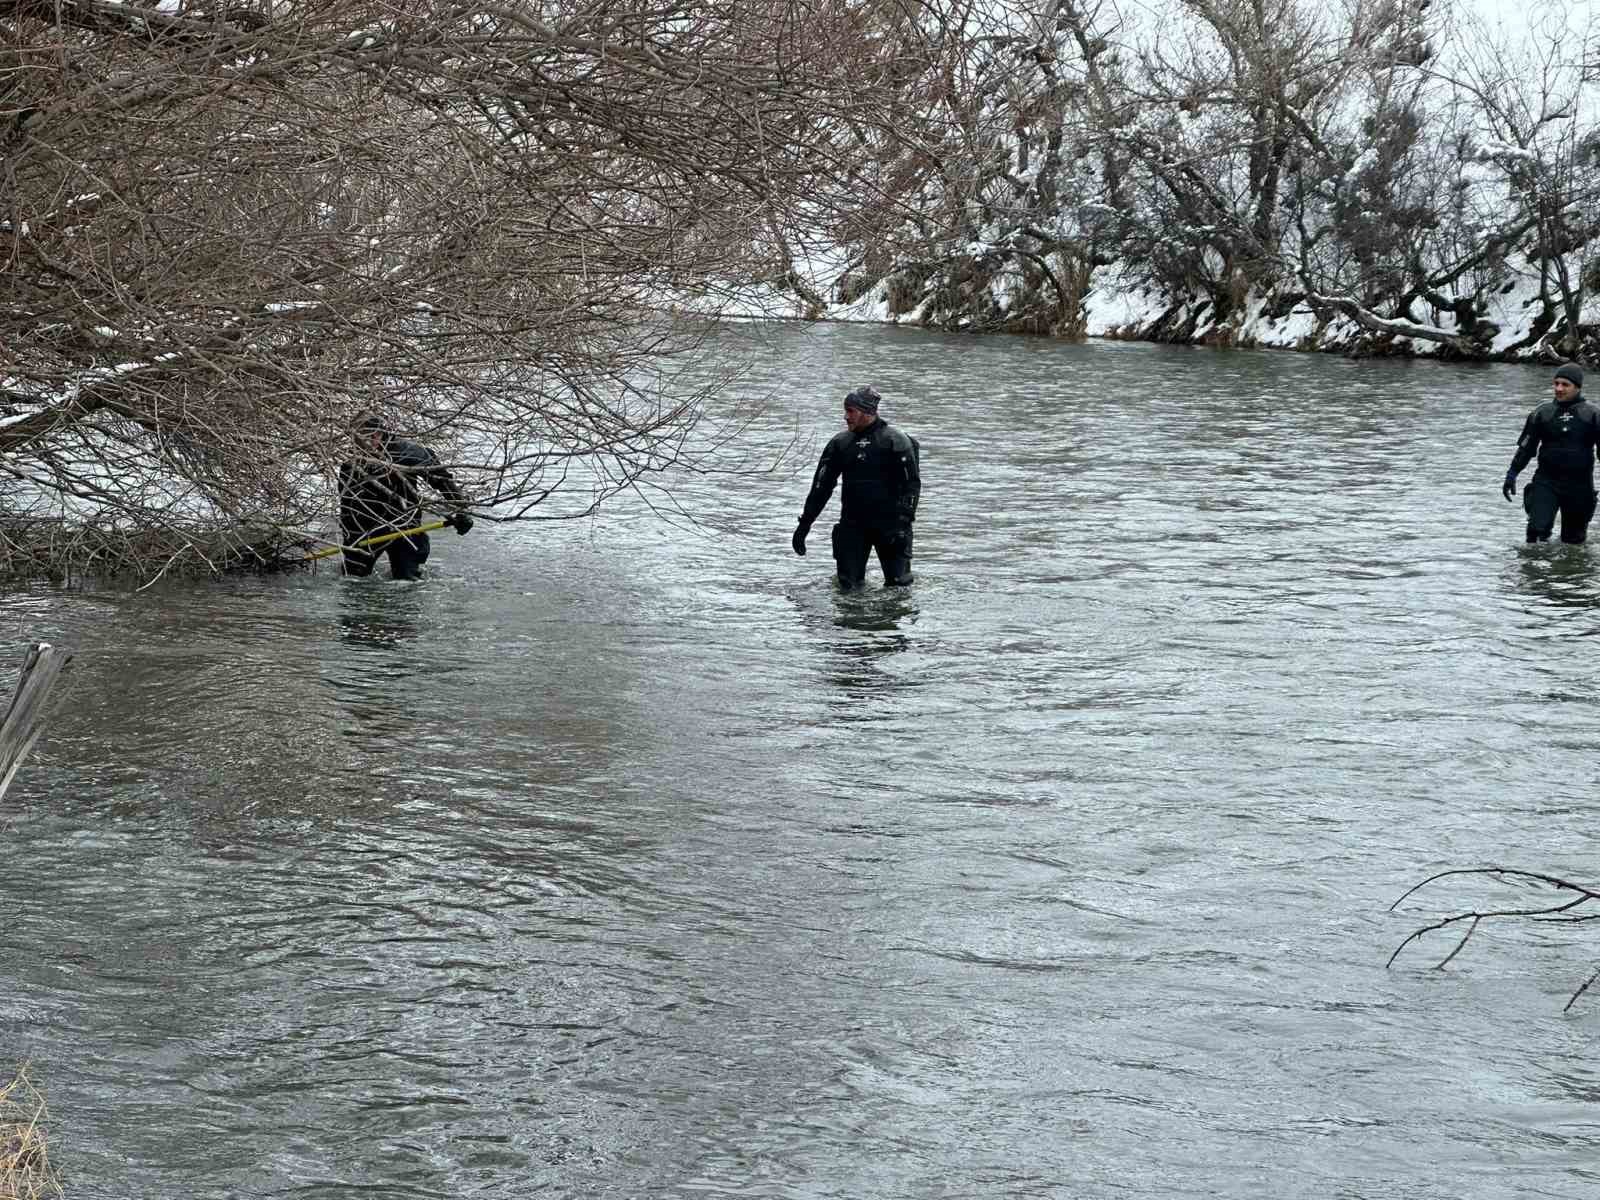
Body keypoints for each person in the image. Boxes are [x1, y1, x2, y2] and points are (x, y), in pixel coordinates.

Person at [792, 386, 920, 587]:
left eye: (851, 411)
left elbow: (911, 486)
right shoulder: (840, 444)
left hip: (891, 526)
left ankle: (893, 617)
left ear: (868, 412)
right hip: (853, 525)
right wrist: (804, 524)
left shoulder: (896, 441)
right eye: (845, 410)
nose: (845, 416)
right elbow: (821, 487)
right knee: (847, 586)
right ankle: (851, 618)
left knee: (899, 585)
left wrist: (904, 523)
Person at [339, 413, 475, 579]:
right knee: (353, 578)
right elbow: (346, 505)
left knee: (407, 579)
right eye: (359, 438)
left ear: (381, 434)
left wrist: (461, 510)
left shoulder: (410, 452)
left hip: (406, 525)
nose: (366, 442)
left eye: (371, 436)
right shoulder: (351, 463)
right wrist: (349, 541)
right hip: (366, 528)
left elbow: (442, 481)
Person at [1503, 363, 1600, 544]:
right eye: (1556, 383)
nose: (1559, 388)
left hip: (1579, 485)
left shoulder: (1593, 414)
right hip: (1546, 481)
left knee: (1573, 544)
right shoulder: (1542, 413)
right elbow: (1526, 448)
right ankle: (1535, 570)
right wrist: (1512, 474)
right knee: (1535, 534)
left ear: (1577, 387)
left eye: (1565, 384)